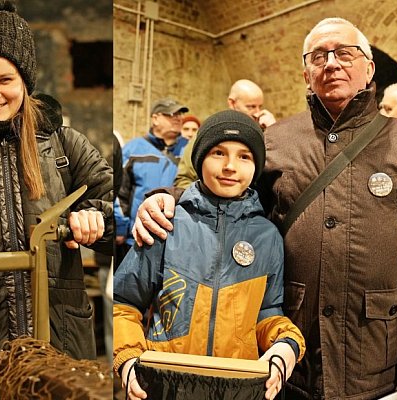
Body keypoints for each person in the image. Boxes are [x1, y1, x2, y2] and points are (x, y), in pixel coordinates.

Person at [132, 17, 397, 400]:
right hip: (289, 349)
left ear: (369, 68)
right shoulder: (276, 141)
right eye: (318, 56)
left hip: (374, 351)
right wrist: (166, 197)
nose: (332, 63)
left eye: (345, 52)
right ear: (306, 74)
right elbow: (224, 198)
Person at [0, 0, 113, 359]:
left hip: (60, 342)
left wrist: (96, 218)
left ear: (26, 81)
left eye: (5, 80)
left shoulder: (65, 146)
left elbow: (122, 211)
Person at [114, 110, 306, 400]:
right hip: (165, 385)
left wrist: (285, 345)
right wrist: (127, 358)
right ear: (200, 157)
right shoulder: (166, 223)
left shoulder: (267, 237)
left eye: (244, 156)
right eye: (218, 153)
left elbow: (267, 312)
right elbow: (124, 302)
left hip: (237, 390)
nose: (230, 166)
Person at [114, 97, 189, 258]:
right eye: (171, 114)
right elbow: (120, 192)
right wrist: (120, 228)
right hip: (138, 236)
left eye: (180, 114)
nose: (178, 118)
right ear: (155, 118)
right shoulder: (133, 150)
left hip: (179, 239)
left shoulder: (189, 149)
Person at [174, 79, 277, 189]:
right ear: (232, 103)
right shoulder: (210, 132)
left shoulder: (265, 132)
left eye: (260, 106)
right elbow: (184, 179)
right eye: (251, 107)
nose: (257, 113)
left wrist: (274, 131)